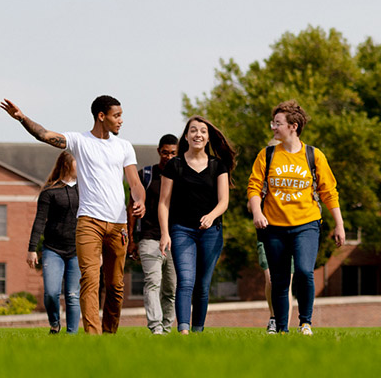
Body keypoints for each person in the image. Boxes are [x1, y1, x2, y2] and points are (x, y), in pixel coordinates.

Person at [1, 95, 145, 335]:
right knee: (89, 280)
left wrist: (140, 200)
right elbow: (45, 135)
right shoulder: (80, 141)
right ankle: (93, 337)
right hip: (89, 222)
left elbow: (135, 182)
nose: (121, 121)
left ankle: (109, 334)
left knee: (116, 286)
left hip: (118, 224)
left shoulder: (124, 146)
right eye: (116, 116)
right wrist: (22, 118)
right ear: (102, 116)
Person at [248, 100, 344, 336]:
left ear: (293, 126)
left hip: (306, 225)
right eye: (273, 123)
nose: (273, 127)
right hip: (274, 227)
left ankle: (305, 322)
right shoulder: (267, 154)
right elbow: (253, 186)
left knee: (303, 270)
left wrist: (339, 224)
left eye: (277, 123)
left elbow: (329, 191)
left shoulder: (313, 155)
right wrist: (257, 211)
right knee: (279, 279)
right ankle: (281, 329)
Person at [158, 116, 234, 334]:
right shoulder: (175, 165)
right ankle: (183, 330)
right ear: (186, 136)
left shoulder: (217, 166)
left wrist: (211, 216)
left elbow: (224, 201)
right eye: (193, 130)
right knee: (186, 280)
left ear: (208, 137)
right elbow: (164, 203)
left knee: (202, 285)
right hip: (182, 231)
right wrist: (165, 233)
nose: (197, 134)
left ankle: (198, 331)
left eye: (202, 131)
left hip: (211, 232)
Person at [128, 134, 178, 335]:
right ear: (159, 151)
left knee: (171, 289)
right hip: (149, 238)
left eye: (173, 153)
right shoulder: (145, 175)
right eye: (165, 152)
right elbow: (131, 207)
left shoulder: (182, 176)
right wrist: (131, 239)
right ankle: (156, 327)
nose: (168, 156)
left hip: (176, 240)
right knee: (152, 282)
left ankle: (167, 328)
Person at [27, 150, 80, 334]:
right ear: (67, 164)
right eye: (77, 162)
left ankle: (71, 335)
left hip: (77, 251)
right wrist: (32, 249)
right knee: (51, 293)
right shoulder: (50, 192)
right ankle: (55, 323)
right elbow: (39, 221)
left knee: (73, 295)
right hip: (53, 249)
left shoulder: (86, 189)